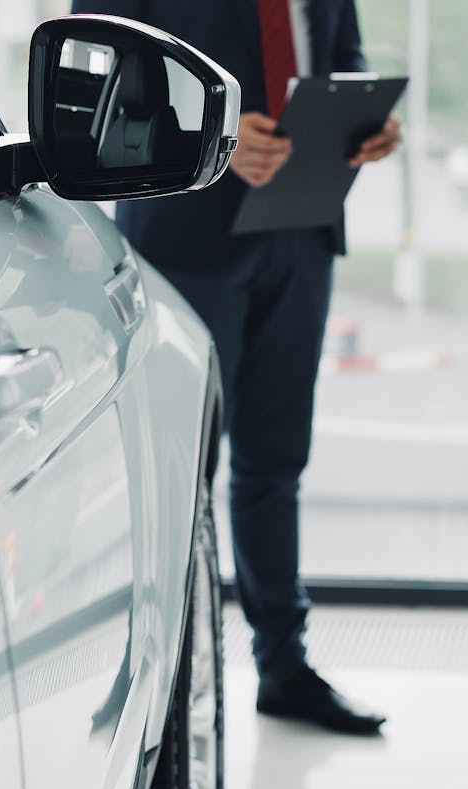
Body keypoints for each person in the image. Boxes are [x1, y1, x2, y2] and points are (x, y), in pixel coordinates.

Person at [71, 0, 402, 735]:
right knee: (174, 475)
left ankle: (283, 667)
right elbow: (92, 91)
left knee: (275, 462)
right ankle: (147, 682)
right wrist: (210, 136)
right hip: (188, 235)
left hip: (304, 227)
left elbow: (338, 56)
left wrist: (366, 117)